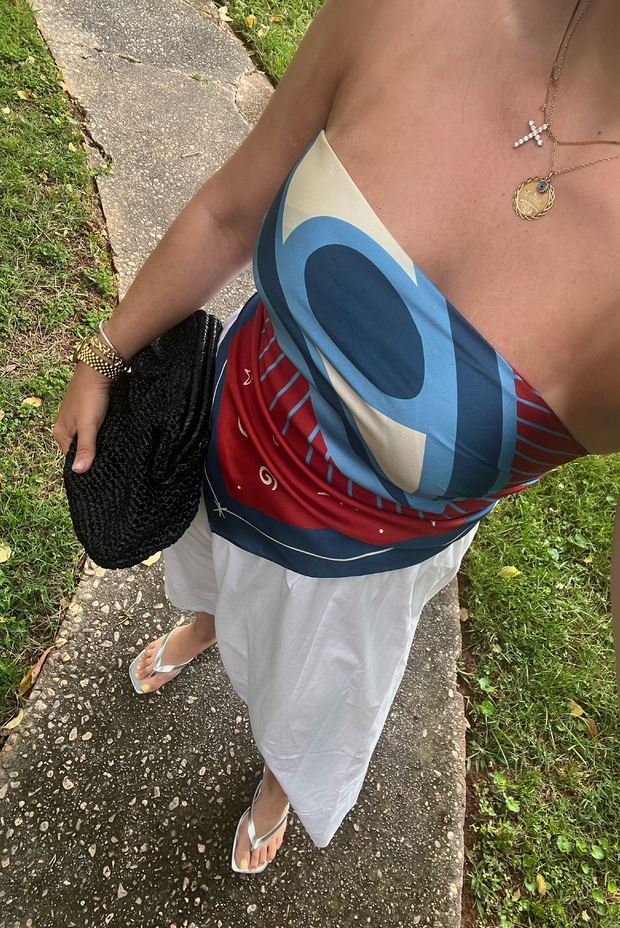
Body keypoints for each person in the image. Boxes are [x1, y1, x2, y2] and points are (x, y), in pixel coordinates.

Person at [54, 0, 620, 876]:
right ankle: (210, 621)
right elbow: (230, 213)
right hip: (227, 434)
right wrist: (105, 352)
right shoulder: (408, 11)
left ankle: (279, 782)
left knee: (307, 704)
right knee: (210, 574)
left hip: (352, 572)